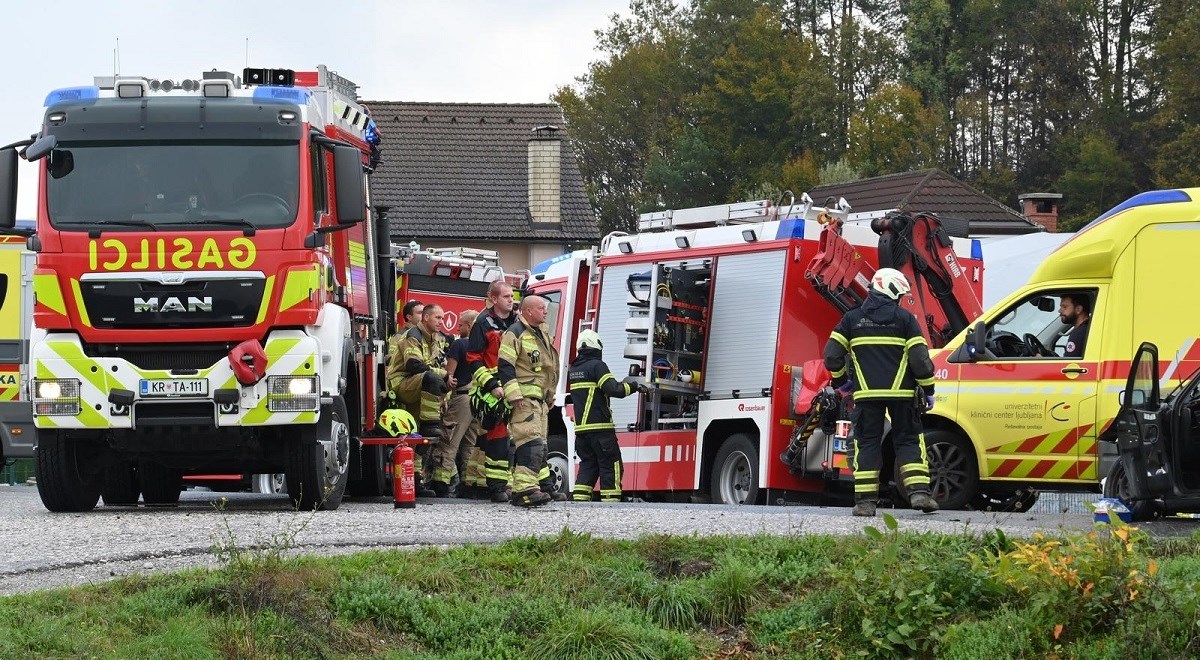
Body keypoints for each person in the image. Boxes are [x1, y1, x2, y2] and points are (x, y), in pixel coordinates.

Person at [824, 267, 939, 517]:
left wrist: (842, 383)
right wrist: (928, 388)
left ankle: (865, 503)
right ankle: (919, 493)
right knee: (909, 439)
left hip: (866, 396)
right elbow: (920, 361)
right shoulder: (906, 320)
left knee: (867, 443)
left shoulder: (851, 320)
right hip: (903, 395)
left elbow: (832, 356)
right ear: (893, 291)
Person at [568, 329, 647, 502]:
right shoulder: (597, 365)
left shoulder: (574, 369)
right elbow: (614, 389)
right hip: (600, 429)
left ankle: (579, 504)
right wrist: (634, 386)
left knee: (588, 466)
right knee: (611, 465)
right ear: (597, 346)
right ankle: (611, 506)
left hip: (581, 432)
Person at [498, 294, 561, 507]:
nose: (545, 311)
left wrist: (550, 395)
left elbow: (548, 369)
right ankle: (524, 491)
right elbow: (505, 366)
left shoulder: (541, 333)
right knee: (530, 444)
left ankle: (540, 487)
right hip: (524, 400)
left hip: (540, 401)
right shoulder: (515, 333)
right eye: (541, 308)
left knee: (541, 447)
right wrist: (514, 395)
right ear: (527, 312)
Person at [389, 303, 453, 497]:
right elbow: (414, 365)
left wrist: (444, 394)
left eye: (442, 318)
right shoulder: (413, 336)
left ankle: (416, 480)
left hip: (421, 388)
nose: (442, 322)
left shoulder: (435, 339)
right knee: (433, 378)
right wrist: (443, 374)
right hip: (404, 384)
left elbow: (436, 369)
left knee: (417, 437)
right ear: (426, 318)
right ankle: (430, 423)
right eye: (438, 318)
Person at [465, 281, 520, 503]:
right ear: (494, 299)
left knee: (508, 440)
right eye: (506, 296)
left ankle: (487, 483)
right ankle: (497, 487)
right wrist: (492, 386)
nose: (511, 300)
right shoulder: (482, 323)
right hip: (493, 391)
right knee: (497, 438)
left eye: (512, 296)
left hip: (514, 386)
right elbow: (473, 359)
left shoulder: (517, 322)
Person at [427, 309, 481, 497]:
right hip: (479, 401)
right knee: (470, 446)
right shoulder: (484, 346)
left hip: (462, 399)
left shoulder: (459, 345)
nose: (458, 328)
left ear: (469, 325)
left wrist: (442, 396)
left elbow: (449, 377)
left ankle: (440, 483)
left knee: (448, 441)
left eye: (461, 325)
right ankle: (469, 484)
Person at [1059, 293, 1091, 359]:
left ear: (1078, 309)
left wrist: (1041, 359)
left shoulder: (1079, 333)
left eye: (1064, 307)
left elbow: (1068, 365)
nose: (1059, 310)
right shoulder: (1088, 329)